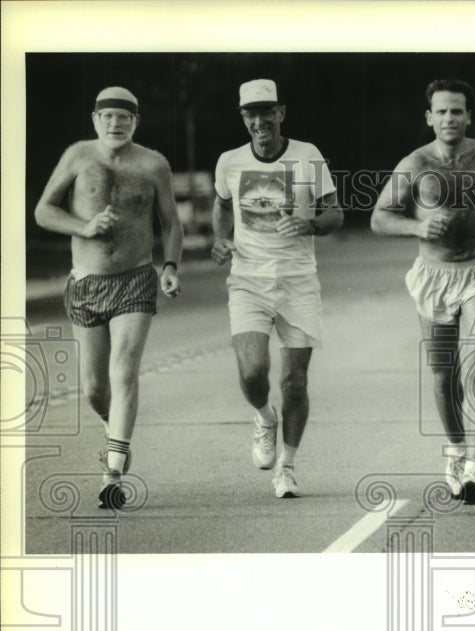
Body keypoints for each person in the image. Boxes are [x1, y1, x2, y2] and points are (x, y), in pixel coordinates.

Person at [34, 86, 183, 509]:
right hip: (86, 283)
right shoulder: (78, 156)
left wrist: (170, 266)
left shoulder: (153, 164)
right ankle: (116, 430)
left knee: (123, 373)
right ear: (94, 119)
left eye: (124, 117)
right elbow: (44, 210)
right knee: (94, 387)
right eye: (108, 117)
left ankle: (112, 472)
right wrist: (84, 228)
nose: (115, 124)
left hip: (135, 279)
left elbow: (171, 223)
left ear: (136, 121)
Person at [371, 79, 475, 505]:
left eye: (458, 111)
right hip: (433, 276)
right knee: (442, 373)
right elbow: (379, 217)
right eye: (442, 112)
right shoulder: (414, 165)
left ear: (469, 116)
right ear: (429, 117)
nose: (450, 118)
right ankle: (455, 449)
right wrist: (416, 226)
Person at [212, 79, 343, 498]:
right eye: (251, 114)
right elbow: (222, 205)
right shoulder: (229, 162)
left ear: (280, 114)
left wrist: (311, 224)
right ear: (243, 118)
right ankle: (263, 417)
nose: (259, 121)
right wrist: (220, 239)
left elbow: (335, 213)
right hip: (248, 281)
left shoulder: (308, 156)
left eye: (267, 112)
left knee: (294, 382)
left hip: (298, 281)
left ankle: (287, 467)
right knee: (252, 373)